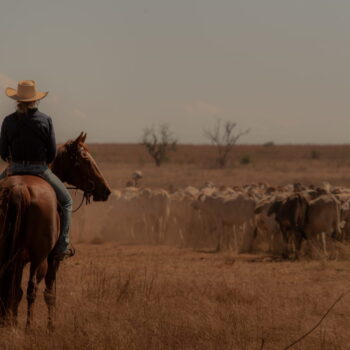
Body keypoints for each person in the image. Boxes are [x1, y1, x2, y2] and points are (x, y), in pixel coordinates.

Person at [0, 80, 74, 260]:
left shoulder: (8, 121)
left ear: (17, 100)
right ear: (35, 101)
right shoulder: (45, 120)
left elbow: (2, 152)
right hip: (39, 169)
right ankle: (62, 245)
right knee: (66, 202)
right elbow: (52, 153)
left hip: (13, 169)